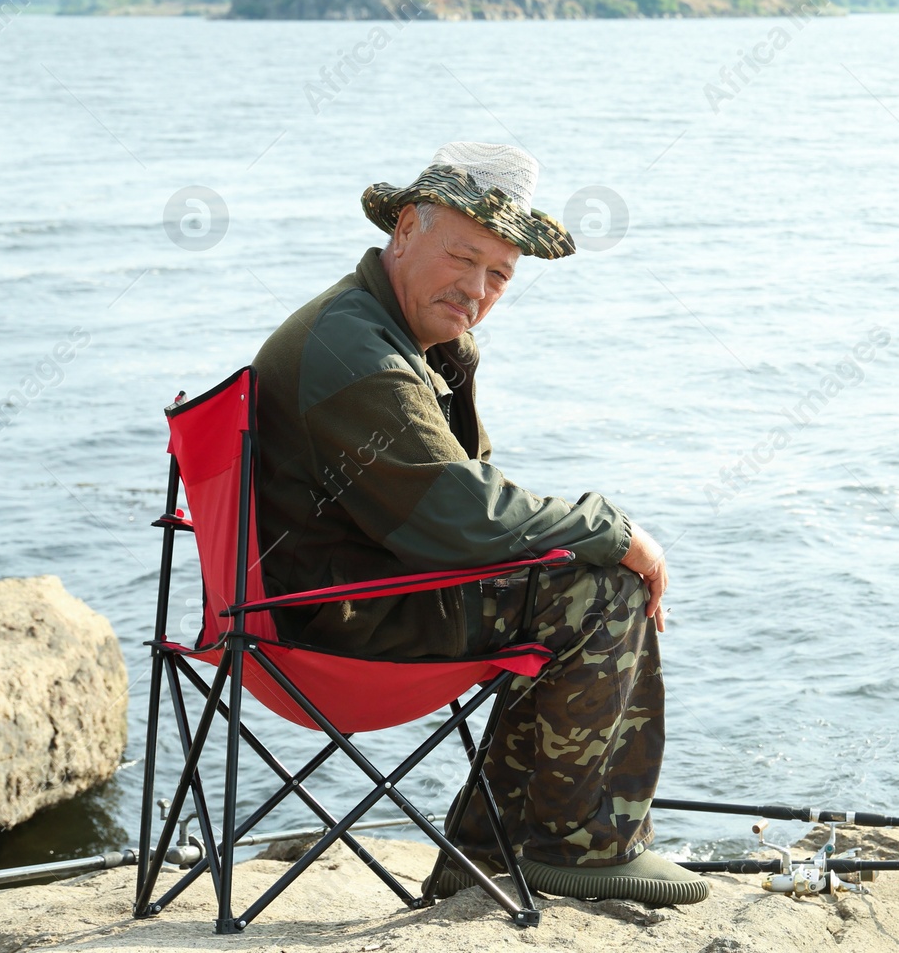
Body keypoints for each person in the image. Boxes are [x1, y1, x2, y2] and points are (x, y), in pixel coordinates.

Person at [249, 141, 707, 905]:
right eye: (463, 257)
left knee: (563, 572)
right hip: (335, 623)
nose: (477, 287)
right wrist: (615, 529)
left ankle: (487, 852)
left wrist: (456, 364)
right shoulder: (355, 350)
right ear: (404, 228)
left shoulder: (390, 332)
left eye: (500, 274)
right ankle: (581, 846)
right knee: (601, 589)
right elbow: (462, 516)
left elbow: (470, 497)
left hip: (334, 593)